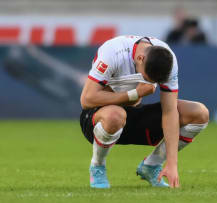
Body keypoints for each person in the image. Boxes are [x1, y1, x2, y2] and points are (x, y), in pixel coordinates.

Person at [79, 35, 209, 189]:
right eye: (148, 78)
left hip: (134, 114)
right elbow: (86, 99)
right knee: (115, 115)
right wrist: (134, 94)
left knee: (199, 113)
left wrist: (172, 164)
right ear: (140, 58)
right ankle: (97, 167)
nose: (151, 83)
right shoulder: (113, 52)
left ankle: (151, 166)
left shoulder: (168, 60)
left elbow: (170, 111)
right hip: (99, 118)